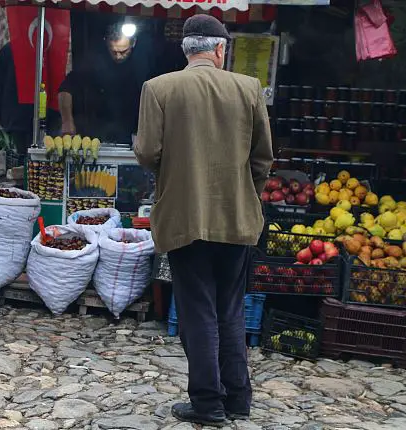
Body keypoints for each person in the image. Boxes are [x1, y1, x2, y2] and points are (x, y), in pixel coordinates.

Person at [133, 15, 273, 427]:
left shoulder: (159, 88)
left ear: (186, 51)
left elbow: (146, 152)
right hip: (237, 218)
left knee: (197, 310)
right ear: (219, 50)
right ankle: (238, 398)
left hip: (184, 216)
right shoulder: (248, 88)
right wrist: (246, 195)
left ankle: (208, 403)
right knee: (230, 308)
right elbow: (262, 158)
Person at [58, 25, 149, 144]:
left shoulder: (143, 61)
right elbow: (66, 88)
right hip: (97, 131)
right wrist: (67, 122)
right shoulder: (94, 61)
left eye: (123, 51)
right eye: (114, 52)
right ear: (107, 44)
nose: (118, 56)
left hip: (132, 131)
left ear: (133, 43)